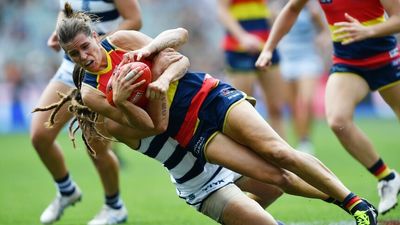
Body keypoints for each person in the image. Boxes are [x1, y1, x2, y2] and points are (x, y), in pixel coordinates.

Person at [52, 3, 379, 225]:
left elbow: (179, 54)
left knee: (279, 158)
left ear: (96, 37)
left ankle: (353, 203)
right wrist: (124, 100)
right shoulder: (101, 103)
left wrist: (156, 62)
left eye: (85, 47)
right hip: (195, 162)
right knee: (276, 177)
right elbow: (158, 125)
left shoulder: (121, 42)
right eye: (73, 55)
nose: (83, 57)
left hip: (205, 97)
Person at [255, 0, 400, 215]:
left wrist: (368, 31)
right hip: (348, 62)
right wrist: (269, 48)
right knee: (338, 121)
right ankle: (387, 178)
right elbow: (292, 9)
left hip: (384, 58)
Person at [30, 0, 142, 224]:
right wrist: (58, 32)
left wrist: (96, 42)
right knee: (40, 136)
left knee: (96, 147)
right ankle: (66, 190)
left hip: (98, 67)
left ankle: (114, 207)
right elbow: (66, 12)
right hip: (69, 68)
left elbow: (135, 20)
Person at [216, 0, 286, 137]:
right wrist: (243, 37)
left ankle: (283, 155)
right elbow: (222, 11)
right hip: (239, 49)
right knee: (244, 109)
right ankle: (249, 154)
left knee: (276, 108)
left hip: (267, 46)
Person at [271, 0, 330, 154]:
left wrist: (321, 40)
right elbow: (272, 34)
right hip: (285, 61)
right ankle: (300, 139)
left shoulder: (312, 10)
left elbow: (325, 31)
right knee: (292, 107)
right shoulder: (276, 10)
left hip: (308, 59)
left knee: (306, 101)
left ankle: (305, 141)